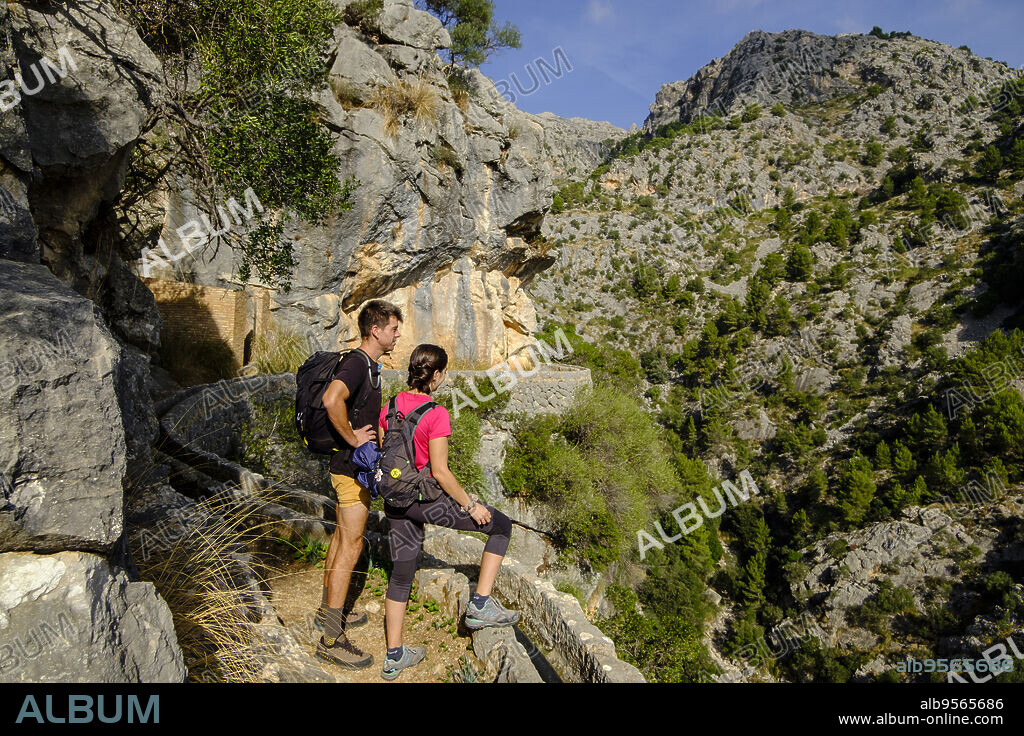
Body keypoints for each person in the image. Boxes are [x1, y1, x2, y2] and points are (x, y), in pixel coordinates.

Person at [378, 344, 519, 681]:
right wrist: (470, 505)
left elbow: (386, 450)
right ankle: (481, 605)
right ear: (437, 374)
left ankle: (394, 655)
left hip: (395, 500)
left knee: (401, 574)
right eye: (444, 373)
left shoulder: (390, 406)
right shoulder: (436, 413)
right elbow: (440, 471)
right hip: (424, 501)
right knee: (500, 525)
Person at [314, 300, 402, 670]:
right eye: (394, 328)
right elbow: (331, 398)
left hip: (348, 468)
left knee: (340, 540)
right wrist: (353, 439)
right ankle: (331, 639)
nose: (398, 334)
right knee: (350, 546)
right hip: (351, 470)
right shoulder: (356, 364)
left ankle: (326, 613)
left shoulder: (367, 366)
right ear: (376, 330)